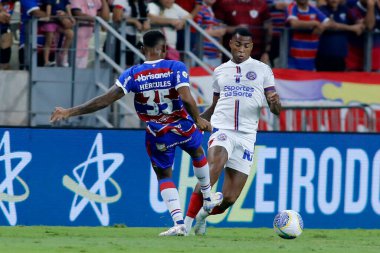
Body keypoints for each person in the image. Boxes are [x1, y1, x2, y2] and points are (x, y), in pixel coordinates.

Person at [50, 30, 223, 236]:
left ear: (142, 49)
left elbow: (105, 100)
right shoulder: (175, 67)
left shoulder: (132, 74)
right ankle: (207, 195)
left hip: (159, 133)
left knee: (165, 174)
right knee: (197, 153)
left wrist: (70, 111)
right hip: (183, 125)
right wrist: (198, 119)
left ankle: (179, 222)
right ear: (165, 49)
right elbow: (186, 97)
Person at [183, 28, 282, 235]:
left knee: (229, 198)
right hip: (223, 128)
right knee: (212, 168)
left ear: (252, 47)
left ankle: (203, 215)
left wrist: (275, 103)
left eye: (246, 46)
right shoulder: (220, 71)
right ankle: (185, 225)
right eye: (238, 45)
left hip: (247, 135)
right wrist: (199, 119)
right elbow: (216, 103)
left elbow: (276, 110)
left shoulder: (263, 69)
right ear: (230, 43)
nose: (241, 50)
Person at [41, 0, 75, 67]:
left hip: (59, 23)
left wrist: (68, 16)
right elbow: (48, 11)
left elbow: (68, 11)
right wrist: (49, 16)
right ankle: (46, 61)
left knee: (70, 33)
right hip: (50, 22)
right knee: (49, 40)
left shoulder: (64, 1)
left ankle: (63, 55)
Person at [0, 0, 15, 69]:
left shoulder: (11, 3)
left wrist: (3, 14)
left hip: (5, 30)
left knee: (6, 49)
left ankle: (5, 65)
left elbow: (7, 19)